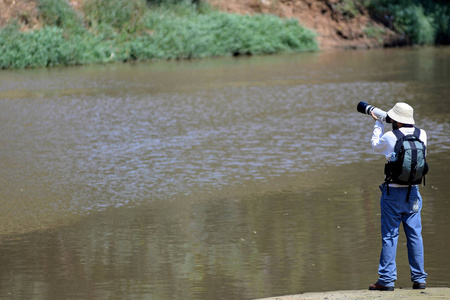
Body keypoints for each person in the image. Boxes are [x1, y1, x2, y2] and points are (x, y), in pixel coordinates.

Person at [368, 102, 428, 291]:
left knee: (389, 236)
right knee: (415, 235)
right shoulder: (422, 134)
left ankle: (386, 280)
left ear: (397, 121)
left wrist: (378, 123)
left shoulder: (389, 136)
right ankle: (419, 279)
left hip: (392, 193)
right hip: (414, 194)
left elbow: (375, 147)